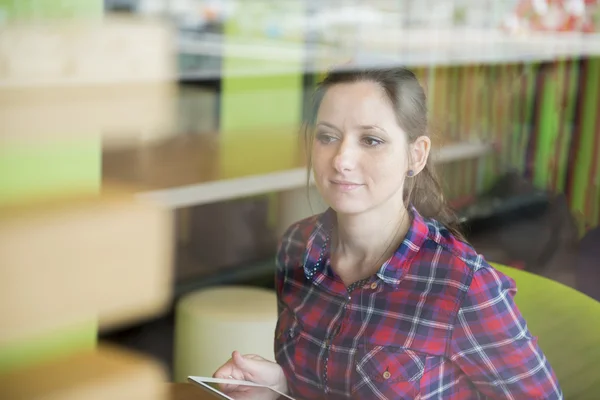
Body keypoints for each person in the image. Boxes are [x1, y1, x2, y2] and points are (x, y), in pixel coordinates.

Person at [213, 67, 562, 399]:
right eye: (327, 136)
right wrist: (280, 385)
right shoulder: (297, 246)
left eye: (371, 140)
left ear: (416, 155)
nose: (341, 159)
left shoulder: (462, 285)